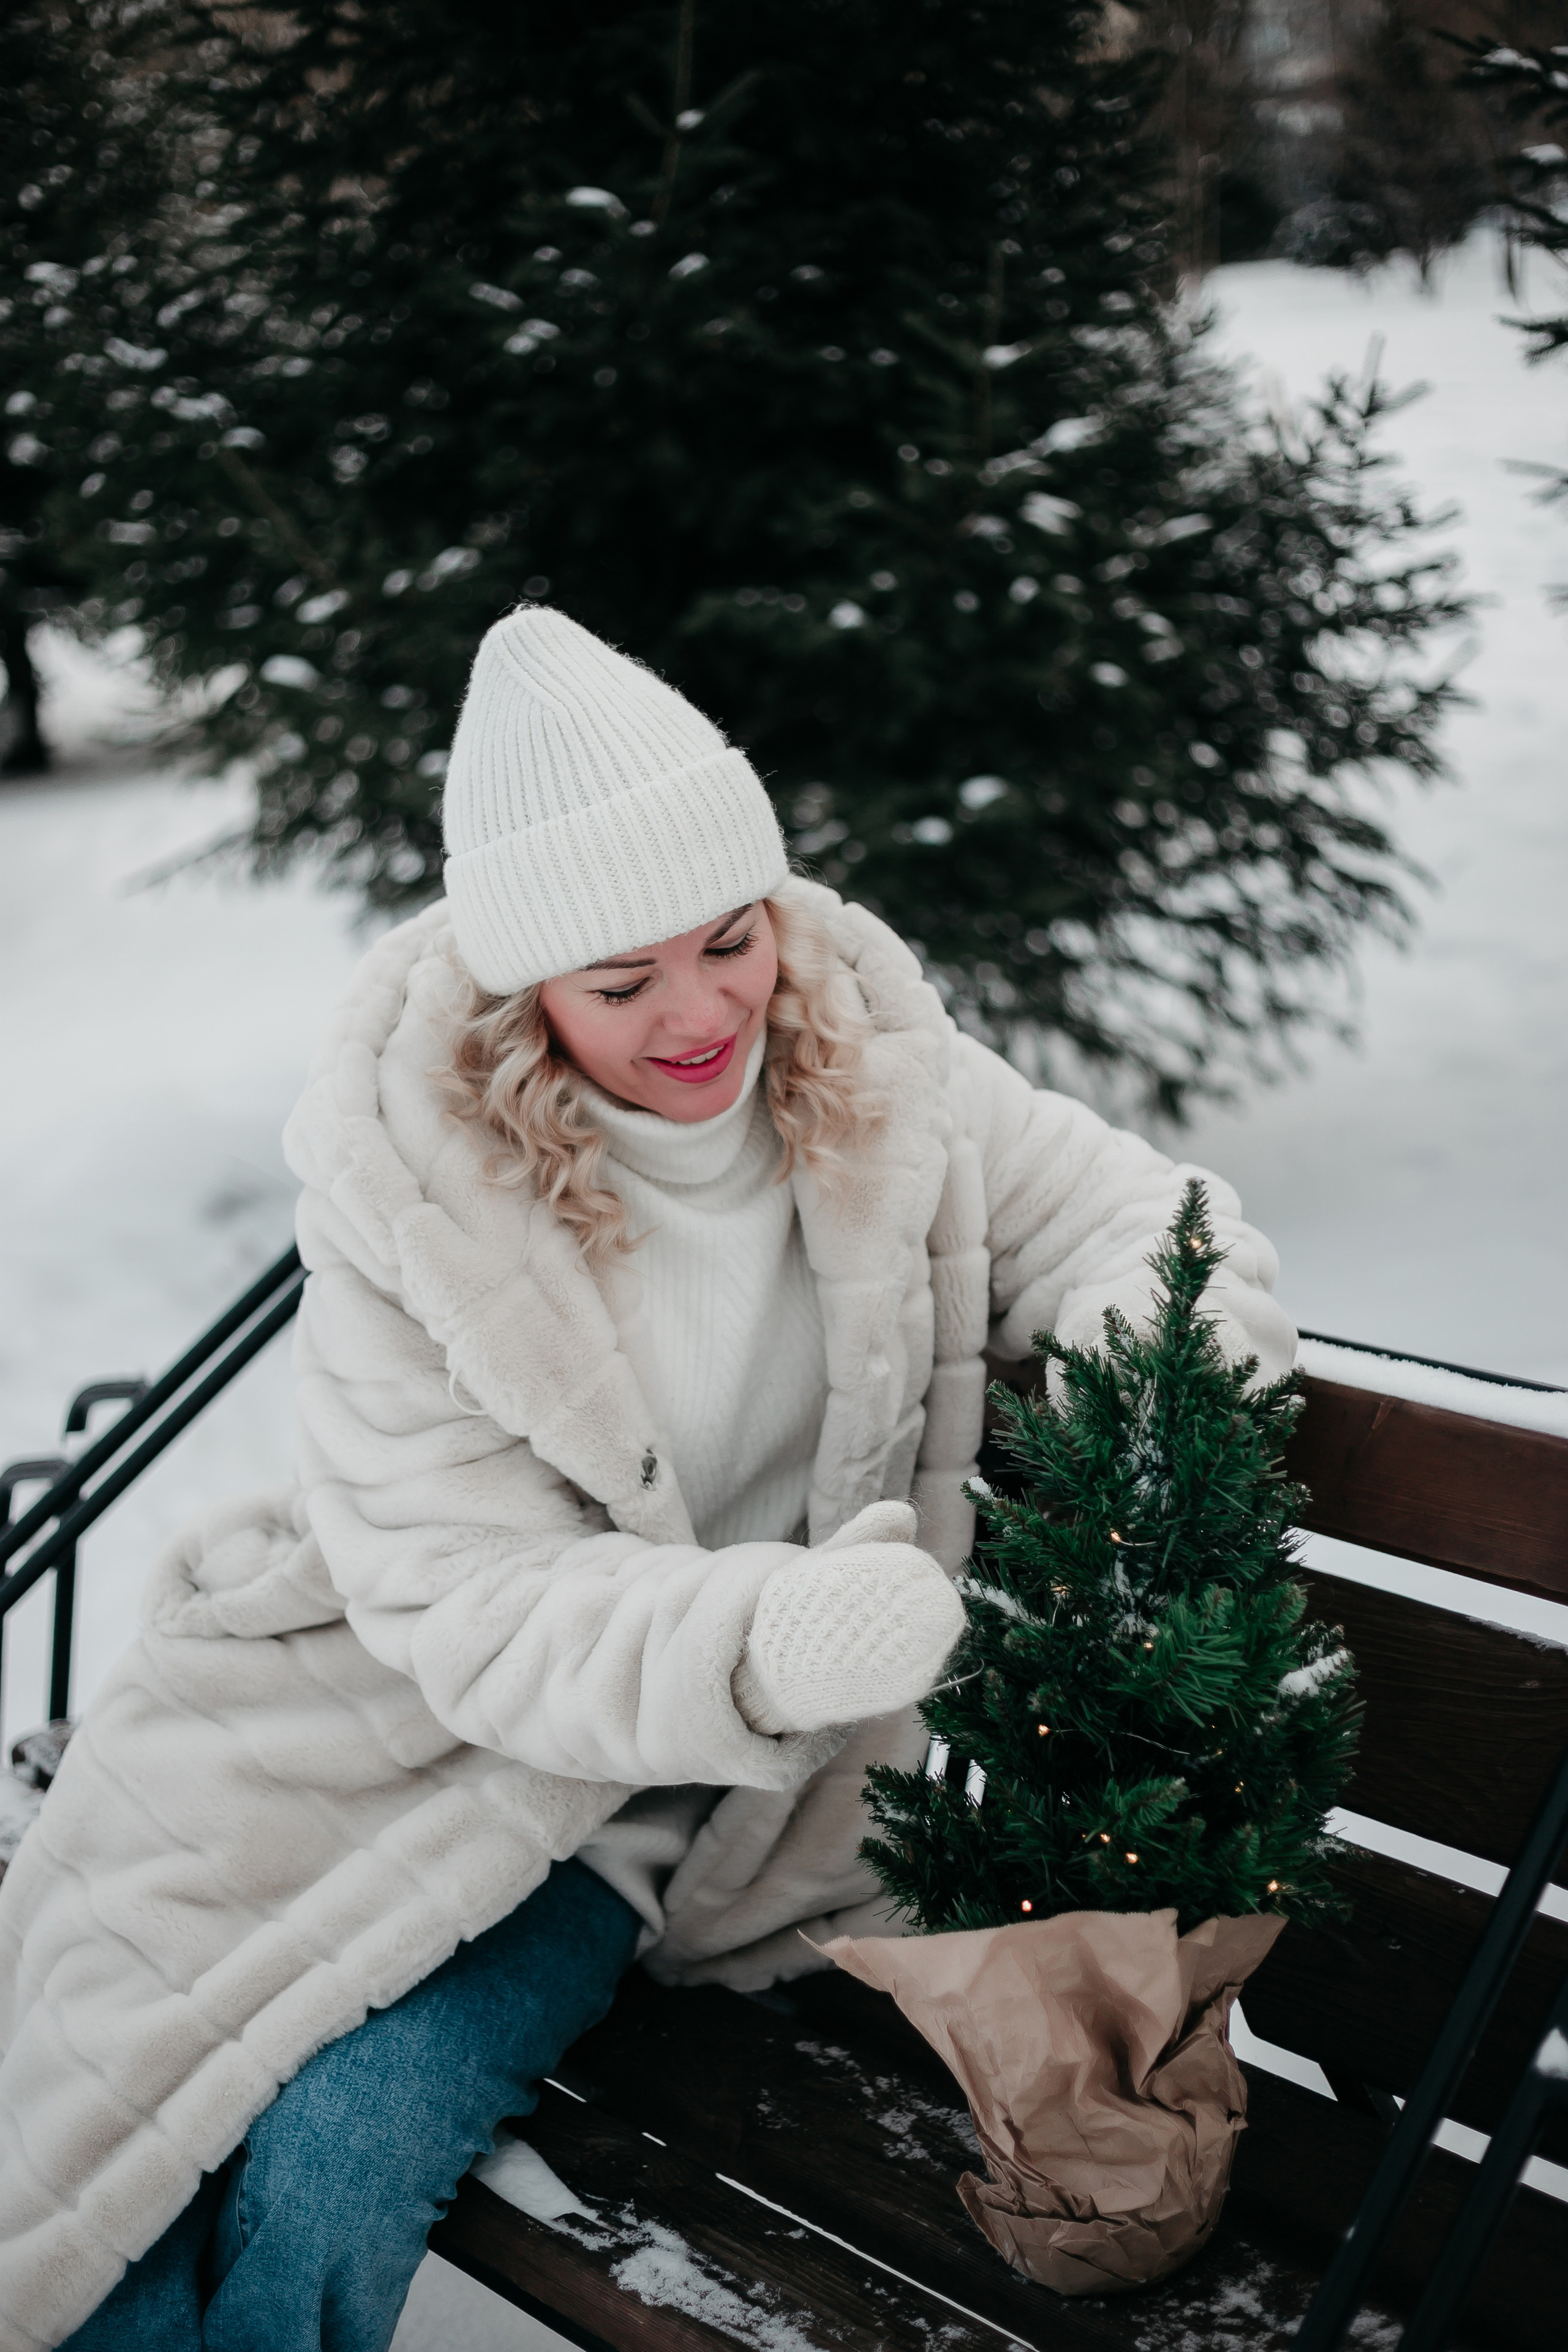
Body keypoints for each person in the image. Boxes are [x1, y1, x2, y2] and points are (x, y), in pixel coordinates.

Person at [0, 609, 1295, 2351]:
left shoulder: (875, 1067)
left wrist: (1160, 1339)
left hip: (625, 1835)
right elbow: (468, 1592)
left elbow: (1136, 1216)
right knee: (107, 2183)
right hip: (359, 1746)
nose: (701, 1014)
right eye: (621, 984)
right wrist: (764, 1642)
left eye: (729, 938)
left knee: (337, 2151)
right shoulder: (424, 1184)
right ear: (526, 988)